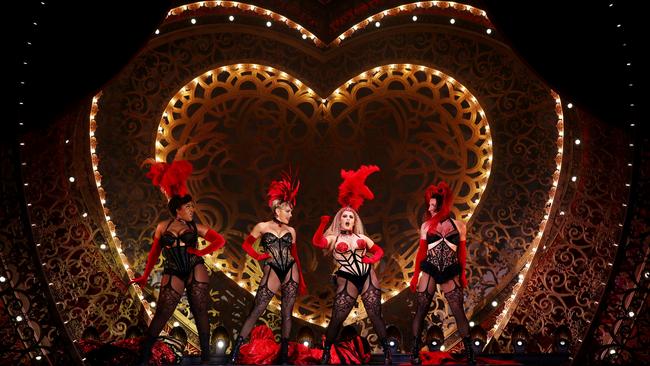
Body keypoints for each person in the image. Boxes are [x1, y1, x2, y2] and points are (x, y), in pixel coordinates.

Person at [129, 154, 226, 364]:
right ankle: (143, 356)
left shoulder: (195, 227)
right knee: (162, 313)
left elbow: (219, 240)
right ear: (178, 210)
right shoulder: (163, 227)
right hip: (173, 270)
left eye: (192, 207)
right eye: (188, 207)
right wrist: (145, 276)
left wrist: (200, 253)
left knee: (200, 312)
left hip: (194, 268)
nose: (192, 209)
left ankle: (207, 359)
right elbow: (154, 254)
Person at [311, 165, 392, 365]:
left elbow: (379, 251)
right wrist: (322, 224)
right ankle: (326, 353)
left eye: (351, 217)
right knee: (338, 318)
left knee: (375, 315)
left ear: (355, 220)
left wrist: (372, 260)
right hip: (346, 276)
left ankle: (390, 355)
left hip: (367, 275)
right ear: (339, 220)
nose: (348, 219)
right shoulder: (333, 237)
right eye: (345, 216)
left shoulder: (361, 237)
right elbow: (317, 243)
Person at [228, 170, 307, 365]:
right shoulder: (262, 227)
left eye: (291, 211)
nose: (291, 214)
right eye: (288, 210)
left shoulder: (292, 231)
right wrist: (260, 256)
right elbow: (246, 245)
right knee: (257, 308)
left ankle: (283, 355)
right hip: (272, 268)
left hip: (290, 269)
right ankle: (236, 350)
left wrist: (302, 280)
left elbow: (295, 256)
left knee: (286, 313)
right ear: (277, 210)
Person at [409, 182, 474, 365]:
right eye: (428, 204)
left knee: (458, 310)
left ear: (440, 204)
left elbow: (461, 253)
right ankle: (414, 351)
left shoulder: (459, 226)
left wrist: (462, 275)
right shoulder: (426, 226)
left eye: (432, 204)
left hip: (450, 270)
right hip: (429, 268)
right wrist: (415, 276)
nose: (429, 207)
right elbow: (421, 253)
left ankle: (470, 353)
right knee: (421, 310)